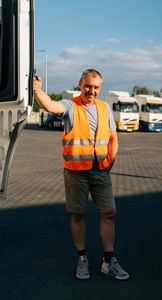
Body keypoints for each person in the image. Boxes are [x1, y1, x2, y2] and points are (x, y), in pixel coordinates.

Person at [33, 69, 129, 280]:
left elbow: (113, 137)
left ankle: (109, 261)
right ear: (80, 84)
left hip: (101, 171)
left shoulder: (104, 108)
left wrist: (110, 163)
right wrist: (38, 91)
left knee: (109, 213)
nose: (91, 91)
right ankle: (82, 259)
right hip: (76, 173)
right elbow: (50, 105)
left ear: (100, 88)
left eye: (95, 87)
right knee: (78, 215)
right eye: (87, 86)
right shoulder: (70, 105)